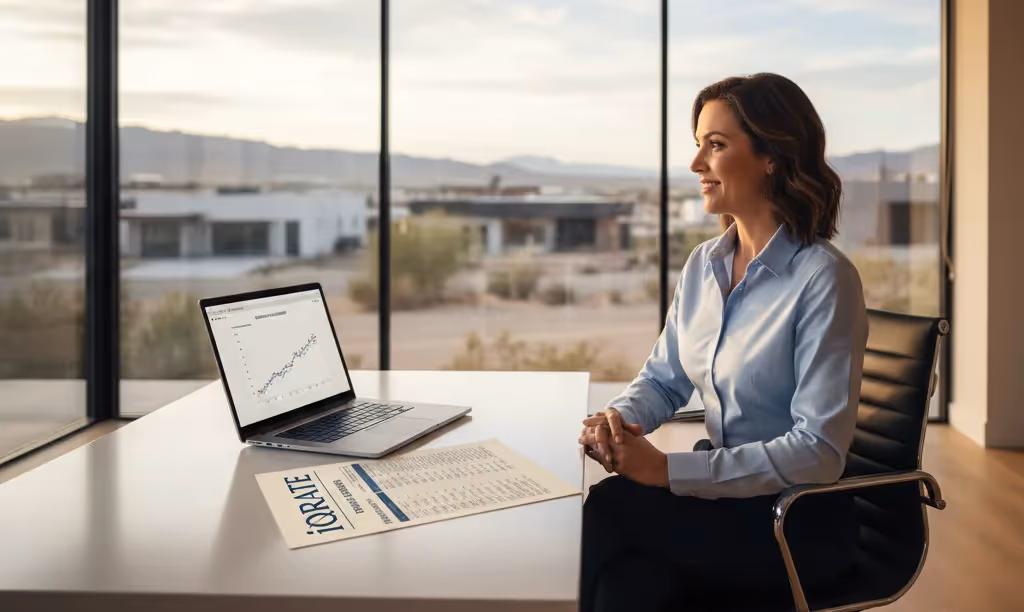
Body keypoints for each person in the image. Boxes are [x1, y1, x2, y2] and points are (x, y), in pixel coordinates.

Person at [578, 73, 868, 611]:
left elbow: (819, 452)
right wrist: (618, 421)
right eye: (699, 146)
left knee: (607, 508)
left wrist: (665, 470)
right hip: (721, 503)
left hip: (793, 523)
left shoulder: (824, 279)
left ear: (771, 158)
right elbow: (664, 379)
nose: (696, 165)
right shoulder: (703, 265)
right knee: (631, 586)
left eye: (716, 145)